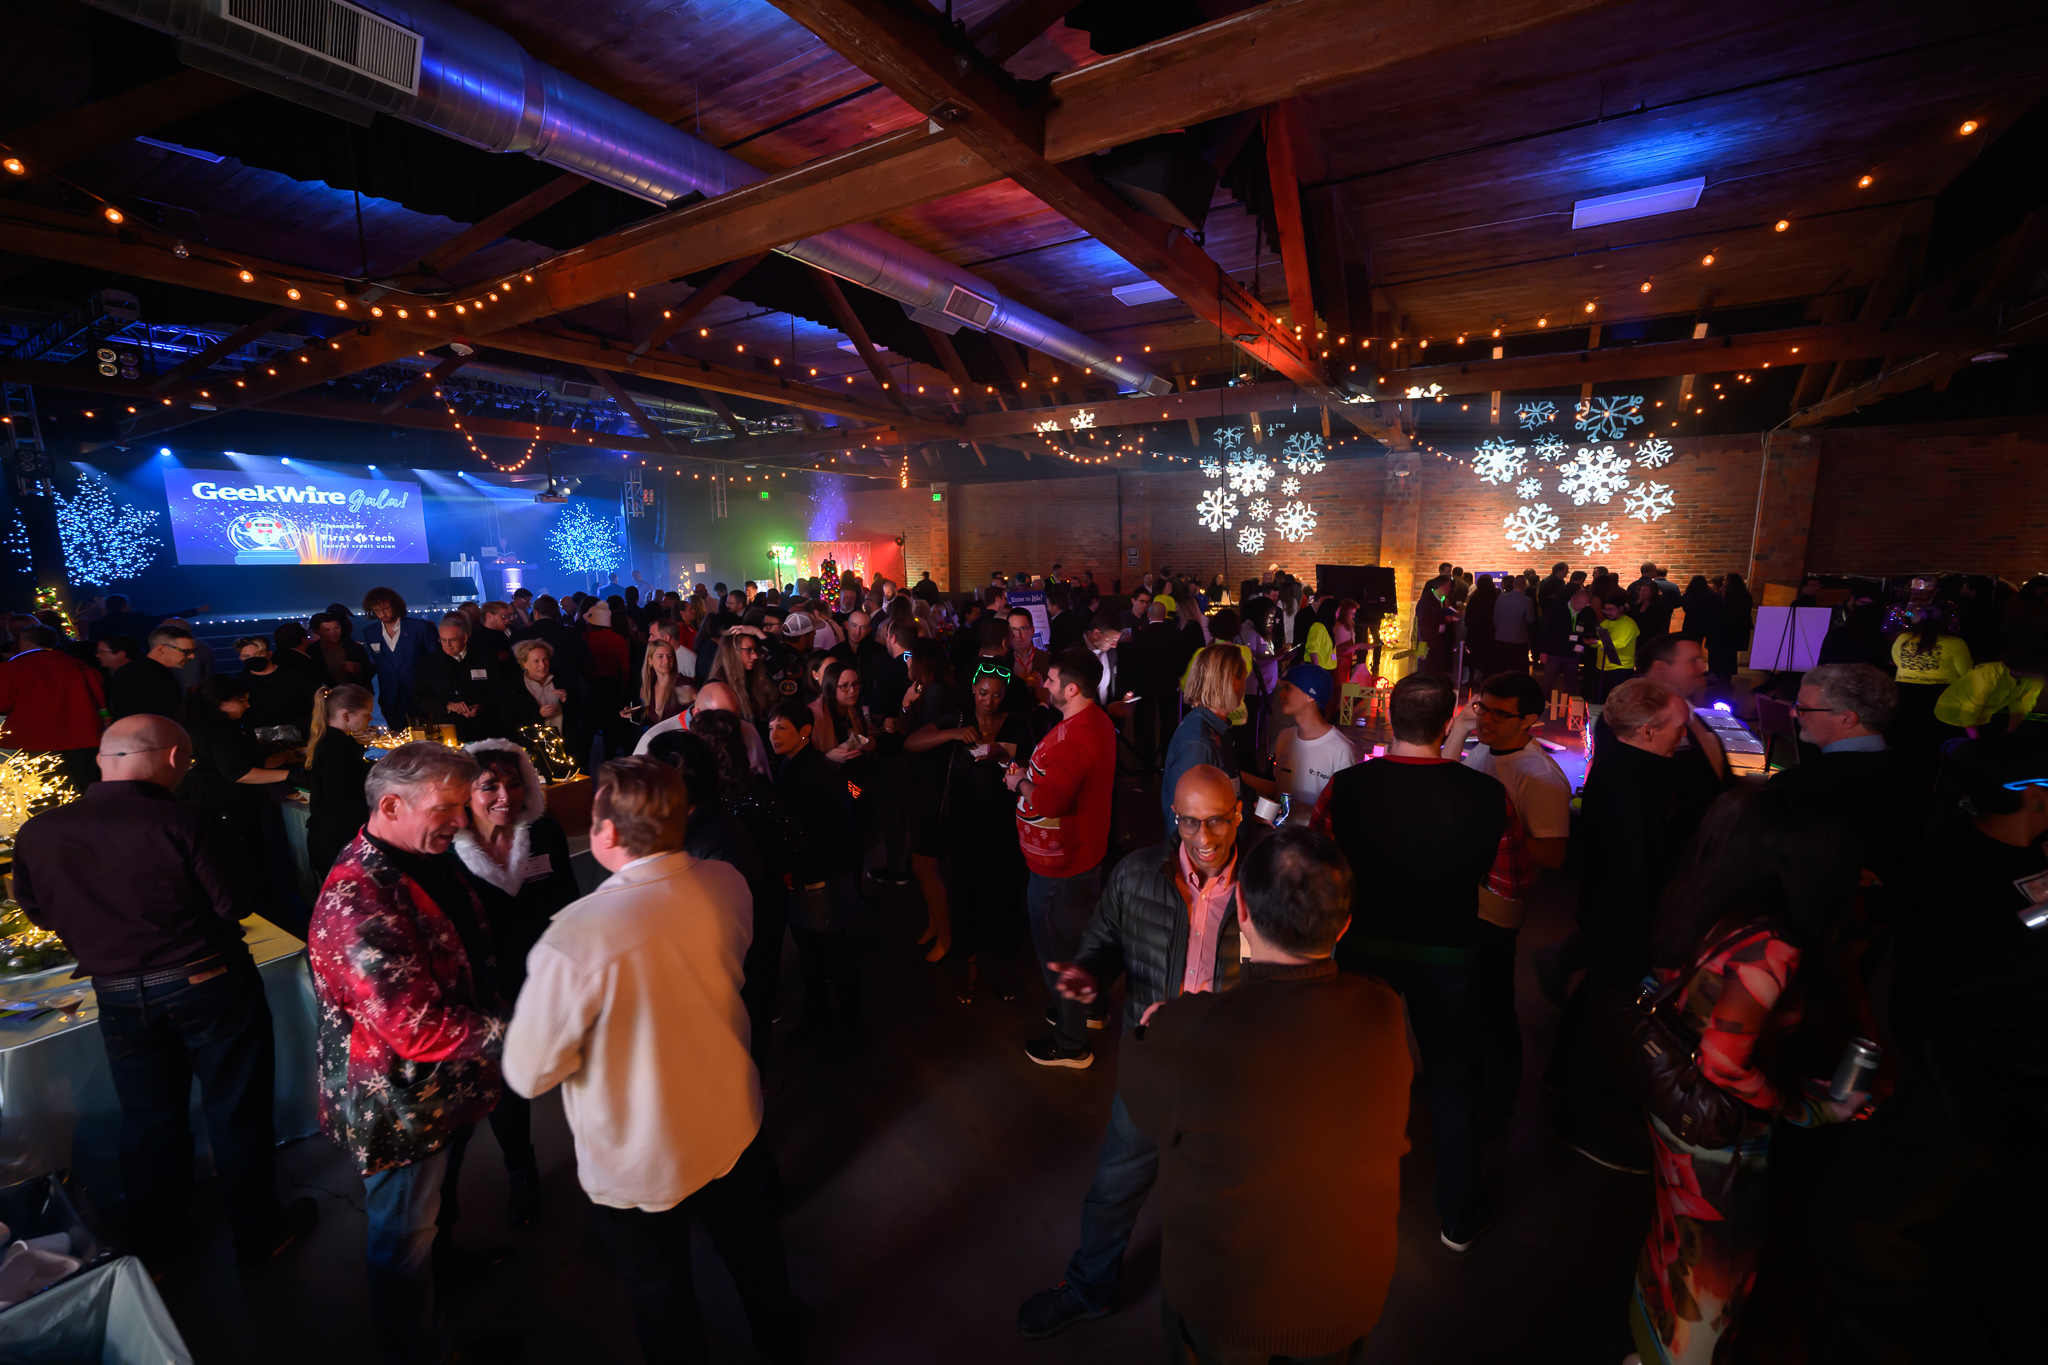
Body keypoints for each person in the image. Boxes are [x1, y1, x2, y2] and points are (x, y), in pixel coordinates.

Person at [11, 713, 317, 1270]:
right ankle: (258, 1232)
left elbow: (40, 911)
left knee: (149, 1117)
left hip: (117, 993)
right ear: (176, 758)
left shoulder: (40, 831)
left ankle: (158, 1243)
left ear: (102, 759)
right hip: (207, 982)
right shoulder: (186, 821)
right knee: (236, 1110)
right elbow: (235, 903)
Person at [1124, 827, 1410, 1364]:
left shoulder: (1189, 1031)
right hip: (1344, 1300)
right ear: (1344, 924)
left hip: (1227, 1307)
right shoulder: (1385, 1010)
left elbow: (1141, 1103)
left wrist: (1158, 1027)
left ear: (1242, 910)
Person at [1808, 731, 2048, 1364]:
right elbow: (1860, 1220)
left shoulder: (2008, 856)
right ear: (2034, 795)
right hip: (1958, 1062)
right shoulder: (1960, 870)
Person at [1017, 765, 1267, 1338]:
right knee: (1113, 1188)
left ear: (1237, 815)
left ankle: (1224, 1310)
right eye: (1189, 823)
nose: (1203, 838)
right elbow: (1103, 942)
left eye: (1216, 821)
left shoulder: (1264, 883)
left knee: (1227, 1200)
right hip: (1153, 1067)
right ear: (1173, 818)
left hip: (1228, 1079)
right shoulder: (1135, 875)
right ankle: (1090, 1287)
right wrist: (1089, 974)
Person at [1628, 785, 1874, 1365]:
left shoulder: (1705, 903)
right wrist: (1808, 1108)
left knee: (1673, 1235)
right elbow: (1725, 1061)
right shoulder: (1772, 944)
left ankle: (1648, 1347)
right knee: (1717, 1265)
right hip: (1722, 1134)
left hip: (1674, 1103)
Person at [1309, 673, 1532, 1250]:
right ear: (1449, 721)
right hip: (1450, 954)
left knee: (1356, 1073)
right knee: (1453, 1083)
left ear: (1391, 713)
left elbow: (1316, 864)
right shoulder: (1487, 796)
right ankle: (1459, 1214)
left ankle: (1338, 1198)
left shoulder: (1346, 786)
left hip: (1362, 946)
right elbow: (1509, 886)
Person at [308, 742, 506, 1365]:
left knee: (433, 1209)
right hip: (400, 1100)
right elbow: (415, 1029)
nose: (463, 821)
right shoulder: (358, 900)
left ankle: (443, 1272)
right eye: (448, 807)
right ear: (392, 805)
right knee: (402, 1237)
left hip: (443, 1085)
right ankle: (421, 1350)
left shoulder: (419, 857)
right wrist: (528, 1029)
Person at [1551, 678, 1701, 1173]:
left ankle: (1565, 1084)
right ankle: (1577, 1119)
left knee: (1597, 1002)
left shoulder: (1624, 766)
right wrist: (1652, 940)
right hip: (1625, 925)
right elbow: (1630, 876)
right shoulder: (1633, 789)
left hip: (1611, 919)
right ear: (1648, 731)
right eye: (1678, 727)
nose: (1684, 735)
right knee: (1609, 1019)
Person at [450, 740, 579, 1229]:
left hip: (550, 979)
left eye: (513, 782)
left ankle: (603, 1150)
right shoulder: (447, 850)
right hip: (490, 990)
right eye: (489, 786)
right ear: (465, 794)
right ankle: (521, 1170)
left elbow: (568, 902)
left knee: (579, 1068)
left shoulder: (544, 832)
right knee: (506, 1087)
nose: (505, 795)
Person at [1443, 671, 1571, 1137]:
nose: (1486, 720)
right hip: (1466, 898)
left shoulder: (1540, 776)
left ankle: (1496, 1106)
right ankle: (1465, 1088)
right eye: (1482, 709)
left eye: (1500, 714)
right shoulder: (1483, 750)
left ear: (1529, 720)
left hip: (1497, 908)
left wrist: (1485, 835)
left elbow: (1553, 853)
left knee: (1493, 1005)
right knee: (1464, 1000)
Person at [1008, 647, 1118, 1068]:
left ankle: (1071, 1043)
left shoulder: (1077, 736)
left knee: (1059, 953)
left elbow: (1051, 802)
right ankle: (1090, 1010)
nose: (1045, 684)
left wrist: (1020, 783)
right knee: (1082, 941)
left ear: (1072, 689)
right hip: (1081, 855)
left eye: (1051, 680)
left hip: (1061, 867)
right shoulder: (1095, 720)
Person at [933, 660, 1034, 1004]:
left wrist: (1002, 754)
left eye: (997, 695)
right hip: (964, 828)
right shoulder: (959, 720)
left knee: (1005, 897)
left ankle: (1005, 967)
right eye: (983, 693)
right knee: (966, 896)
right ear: (973, 690)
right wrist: (954, 734)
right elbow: (913, 742)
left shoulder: (1018, 723)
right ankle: (971, 968)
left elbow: (1034, 766)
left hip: (1005, 826)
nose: (989, 700)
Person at [768, 697, 863, 1049]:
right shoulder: (792, 764)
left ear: (805, 731)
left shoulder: (812, 771)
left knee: (831, 955)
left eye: (782, 728)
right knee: (814, 954)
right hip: (810, 877)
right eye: (771, 727)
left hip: (820, 880)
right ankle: (821, 1018)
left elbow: (832, 828)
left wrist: (800, 871)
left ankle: (848, 1030)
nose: (773, 735)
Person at [0, 623, 106, 790]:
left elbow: (3, 704)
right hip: (82, 737)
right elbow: (101, 702)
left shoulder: (11, 668)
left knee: (39, 792)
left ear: (26, 643)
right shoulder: (81, 667)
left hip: (33, 740)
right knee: (83, 790)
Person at [1162, 643, 1250, 837]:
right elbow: (1185, 823)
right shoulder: (1198, 744)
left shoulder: (1215, 727)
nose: (1246, 684)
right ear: (1233, 682)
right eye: (1244, 676)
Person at [304, 683, 375, 881]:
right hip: (338, 842)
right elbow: (340, 800)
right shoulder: (335, 747)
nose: (370, 719)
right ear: (346, 716)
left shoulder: (336, 741)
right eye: (367, 714)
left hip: (336, 837)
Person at [1270, 663, 1353, 823]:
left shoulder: (1342, 750)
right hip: (1282, 834)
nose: (1281, 694)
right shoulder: (1285, 737)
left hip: (1315, 837)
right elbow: (1279, 787)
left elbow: (1345, 809)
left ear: (1311, 695)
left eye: (1288, 688)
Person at [411, 613, 499, 743]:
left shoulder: (486, 658)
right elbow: (419, 699)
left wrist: (482, 706)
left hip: (483, 730)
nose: (448, 645)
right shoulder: (427, 663)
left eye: (452, 640)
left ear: (465, 637)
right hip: (446, 731)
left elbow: (499, 691)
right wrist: (447, 706)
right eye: (443, 640)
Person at [360, 587, 438, 727]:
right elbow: (378, 664)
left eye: (386, 608)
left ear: (396, 605)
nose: (382, 614)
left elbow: (436, 662)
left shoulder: (420, 628)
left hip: (422, 696)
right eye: (377, 610)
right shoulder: (370, 632)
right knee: (397, 737)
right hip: (390, 699)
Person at [236, 634, 317, 735]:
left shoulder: (296, 676)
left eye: (258, 654)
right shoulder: (239, 684)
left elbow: (317, 705)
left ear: (269, 654)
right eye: (247, 656)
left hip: (299, 736)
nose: (253, 659)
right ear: (241, 658)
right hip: (257, 739)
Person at [499, 638, 573, 741]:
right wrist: (538, 714)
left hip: (561, 742)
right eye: (536, 661)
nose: (542, 665)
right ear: (524, 664)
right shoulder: (515, 687)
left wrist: (566, 701)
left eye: (545, 659)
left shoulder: (560, 681)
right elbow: (508, 720)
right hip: (532, 743)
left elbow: (576, 713)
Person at [631, 637, 691, 727]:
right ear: (650, 661)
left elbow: (693, 719)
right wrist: (634, 713)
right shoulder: (650, 686)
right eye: (660, 656)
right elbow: (656, 721)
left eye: (669, 656)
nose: (666, 661)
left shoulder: (682, 683)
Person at [1492, 574, 1537, 674]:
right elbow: (1530, 620)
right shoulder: (1527, 601)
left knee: (1502, 667)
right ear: (1524, 585)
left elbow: (1495, 618)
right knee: (1518, 668)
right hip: (1519, 639)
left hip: (1501, 637)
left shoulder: (1501, 598)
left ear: (1513, 584)